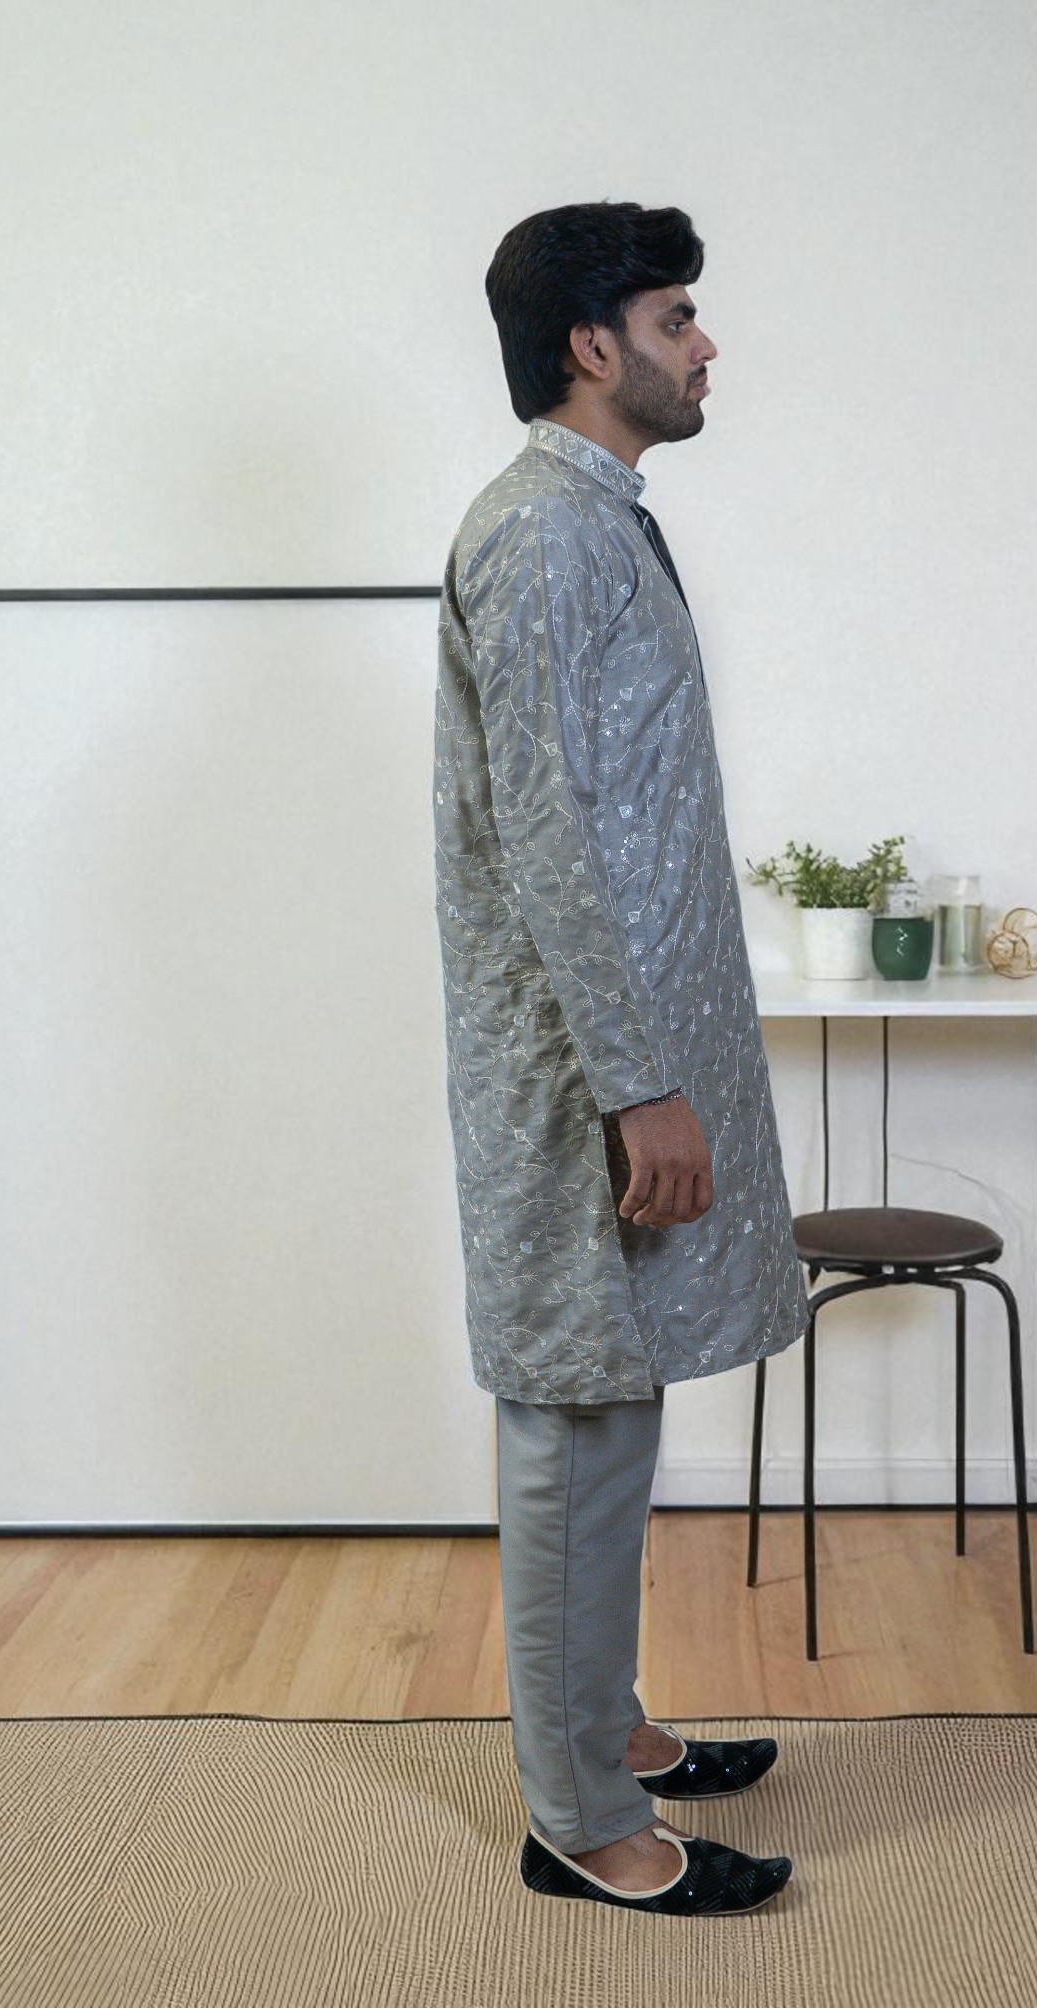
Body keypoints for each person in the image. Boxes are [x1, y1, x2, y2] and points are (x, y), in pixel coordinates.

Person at [432, 200, 810, 1915]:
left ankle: (604, 1729)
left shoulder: (596, 521)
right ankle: (581, 1820)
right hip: (587, 1069)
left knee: (616, 1390)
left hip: (635, 1045)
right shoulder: (539, 536)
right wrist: (634, 1084)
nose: (703, 343)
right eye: (674, 317)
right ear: (592, 346)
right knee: (573, 1413)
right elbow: (545, 830)